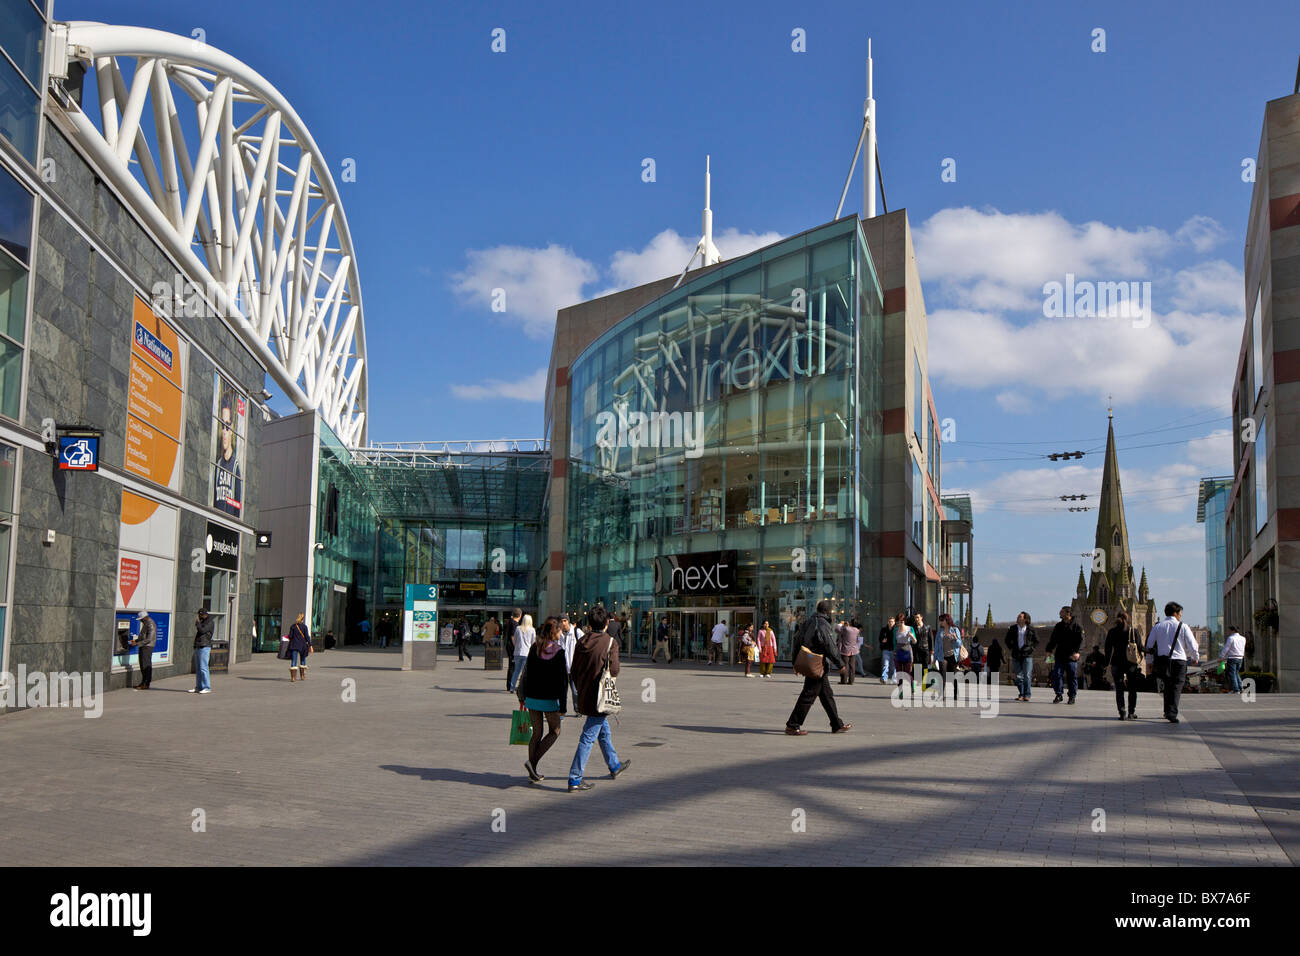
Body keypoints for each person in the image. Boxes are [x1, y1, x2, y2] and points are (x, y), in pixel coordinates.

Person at [567, 605, 629, 792]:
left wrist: (580, 687)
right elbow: (615, 669)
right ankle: (575, 778)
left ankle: (614, 765)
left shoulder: (582, 641)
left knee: (603, 731)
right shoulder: (610, 642)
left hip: (585, 693)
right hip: (600, 696)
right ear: (606, 622)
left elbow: (574, 670)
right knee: (588, 736)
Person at [785, 601, 852, 735]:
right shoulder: (823, 624)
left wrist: (795, 663)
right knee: (808, 695)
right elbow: (829, 645)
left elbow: (797, 641)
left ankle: (836, 724)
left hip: (811, 662)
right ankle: (792, 725)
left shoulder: (807, 622)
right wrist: (840, 664)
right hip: (817, 664)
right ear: (828, 612)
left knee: (827, 695)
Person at [516, 617, 569, 783]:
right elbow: (563, 682)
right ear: (556, 632)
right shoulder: (559, 652)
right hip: (548, 699)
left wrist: (524, 696)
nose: (561, 633)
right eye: (560, 631)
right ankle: (532, 763)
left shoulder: (535, 648)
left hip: (532, 698)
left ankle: (533, 770)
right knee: (555, 731)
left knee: (536, 733)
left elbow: (527, 673)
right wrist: (564, 707)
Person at [1145, 601, 1200, 723]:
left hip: (1162, 660)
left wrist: (1149, 661)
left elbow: (1149, 645)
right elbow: (1193, 644)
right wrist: (1195, 657)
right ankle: (1172, 713)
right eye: (1180, 613)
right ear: (1175, 613)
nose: (1181, 615)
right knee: (1176, 686)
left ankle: (1167, 711)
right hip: (1179, 661)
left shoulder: (1158, 626)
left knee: (1167, 685)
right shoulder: (1183, 626)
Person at [1103, 611, 1142, 720]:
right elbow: (1140, 647)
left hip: (1116, 663)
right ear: (1128, 619)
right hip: (1131, 664)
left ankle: (1122, 712)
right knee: (1132, 688)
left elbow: (1108, 649)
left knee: (1119, 689)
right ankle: (1131, 712)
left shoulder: (1112, 632)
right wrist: (1151, 651)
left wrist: (1106, 663)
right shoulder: (1133, 631)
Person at [1046, 606, 1084, 704]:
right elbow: (1053, 640)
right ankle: (1058, 694)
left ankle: (1072, 696)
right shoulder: (1058, 626)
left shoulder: (1077, 626)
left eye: (1062, 612)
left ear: (1068, 613)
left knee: (1072, 676)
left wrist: (1077, 652)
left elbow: (1080, 641)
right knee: (1056, 674)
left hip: (1071, 656)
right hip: (1060, 655)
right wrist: (1049, 650)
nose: (1059, 613)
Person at [1005, 612, 1038, 701]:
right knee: (1018, 676)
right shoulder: (1013, 628)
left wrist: (1031, 648)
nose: (1018, 618)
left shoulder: (1031, 629)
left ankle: (1027, 694)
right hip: (1016, 654)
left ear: (1025, 619)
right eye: (1018, 616)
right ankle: (1021, 693)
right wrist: (1011, 648)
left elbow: (1036, 641)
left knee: (1027, 675)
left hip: (1027, 655)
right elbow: (1007, 640)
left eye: (1020, 617)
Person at [189, 608, 215, 694]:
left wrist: (198, 624)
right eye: (199, 615)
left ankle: (207, 687)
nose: (200, 616)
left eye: (201, 615)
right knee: (198, 667)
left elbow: (202, 631)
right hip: (198, 645)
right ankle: (199, 687)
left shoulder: (210, 622)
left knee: (204, 667)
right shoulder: (202, 621)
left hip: (205, 646)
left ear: (205, 614)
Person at [507, 613, 535, 693]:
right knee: (525, 672)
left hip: (517, 652)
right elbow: (533, 643)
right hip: (527, 653)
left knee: (516, 671)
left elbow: (515, 640)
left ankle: (512, 687)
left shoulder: (518, 628)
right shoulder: (532, 630)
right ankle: (523, 688)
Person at [937, 613, 963, 699]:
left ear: (946, 620)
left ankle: (956, 693)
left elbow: (959, 644)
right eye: (940, 620)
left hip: (953, 656)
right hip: (942, 656)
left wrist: (955, 638)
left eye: (942, 620)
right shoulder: (940, 631)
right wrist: (934, 658)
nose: (940, 622)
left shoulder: (955, 630)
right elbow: (937, 645)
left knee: (953, 676)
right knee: (942, 675)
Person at [131, 610, 155, 690]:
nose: (140, 620)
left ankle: (145, 684)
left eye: (141, 619)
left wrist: (137, 644)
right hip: (144, 646)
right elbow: (143, 637)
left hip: (147, 647)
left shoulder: (150, 624)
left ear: (145, 617)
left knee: (145, 665)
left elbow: (149, 639)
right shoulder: (146, 623)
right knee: (143, 665)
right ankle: (143, 683)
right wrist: (137, 641)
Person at [892, 611, 917, 686]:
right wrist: (894, 652)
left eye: (902, 621)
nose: (901, 622)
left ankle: (912, 686)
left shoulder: (910, 628)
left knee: (907, 672)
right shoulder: (895, 630)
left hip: (907, 651)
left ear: (904, 621)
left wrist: (912, 636)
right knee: (899, 673)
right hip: (898, 652)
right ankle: (900, 690)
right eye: (899, 621)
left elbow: (915, 641)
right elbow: (894, 642)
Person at [286, 612, 312, 682]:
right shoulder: (304, 627)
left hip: (294, 645)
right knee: (303, 660)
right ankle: (302, 676)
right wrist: (310, 645)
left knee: (294, 661)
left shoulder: (293, 626)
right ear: (303, 619)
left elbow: (290, 636)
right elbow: (307, 637)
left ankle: (293, 677)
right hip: (303, 646)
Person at [1221, 625, 1246, 694]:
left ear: (1232, 630)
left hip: (1232, 657)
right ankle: (1241, 688)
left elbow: (1226, 648)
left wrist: (1221, 656)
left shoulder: (1231, 638)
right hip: (1240, 657)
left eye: (1230, 630)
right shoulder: (1243, 638)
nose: (1229, 632)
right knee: (1236, 673)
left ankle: (1236, 689)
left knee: (1232, 674)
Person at [837, 618, 861, 685]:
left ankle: (843, 680)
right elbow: (857, 640)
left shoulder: (846, 629)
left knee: (845, 665)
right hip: (854, 650)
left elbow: (837, 630)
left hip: (845, 649)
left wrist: (840, 624)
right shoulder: (857, 630)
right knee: (852, 666)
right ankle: (851, 681)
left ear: (851, 623)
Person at [502, 609, 521, 690]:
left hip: (508, 645)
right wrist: (516, 646)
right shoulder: (515, 624)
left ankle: (509, 685)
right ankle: (510, 685)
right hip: (512, 647)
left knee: (512, 666)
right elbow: (513, 636)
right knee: (512, 666)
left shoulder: (509, 622)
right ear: (520, 615)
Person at [879, 614, 896, 683]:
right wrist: (882, 640)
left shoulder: (896, 629)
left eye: (892, 621)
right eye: (889, 621)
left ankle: (894, 679)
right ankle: (884, 679)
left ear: (894, 622)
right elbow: (880, 638)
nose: (891, 623)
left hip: (893, 649)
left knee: (893, 666)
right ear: (888, 622)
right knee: (885, 664)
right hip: (885, 649)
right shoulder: (883, 629)